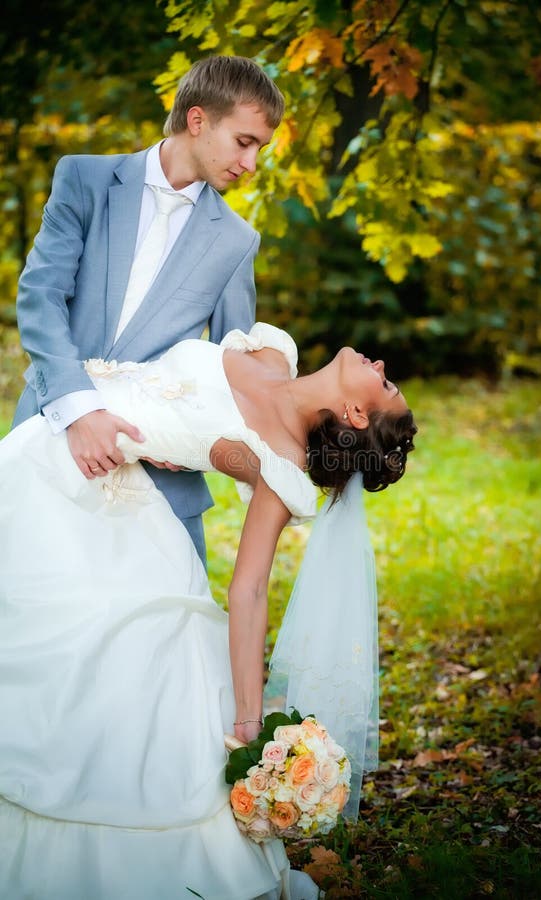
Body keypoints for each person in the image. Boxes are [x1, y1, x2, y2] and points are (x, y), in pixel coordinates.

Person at [0, 322, 416, 899]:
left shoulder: (279, 465)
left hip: (92, 494)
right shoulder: (273, 350)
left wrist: (250, 726)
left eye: (384, 383)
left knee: (116, 669)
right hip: (47, 451)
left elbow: (248, 591)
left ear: (354, 413)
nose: (379, 364)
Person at [12, 55, 285, 566]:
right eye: (244, 142)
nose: (251, 164)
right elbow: (40, 297)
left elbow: (233, 374)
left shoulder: (237, 242)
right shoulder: (83, 180)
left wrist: (192, 438)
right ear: (197, 119)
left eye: (259, 149)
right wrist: (81, 410)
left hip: (159, 480)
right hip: (49, 440)